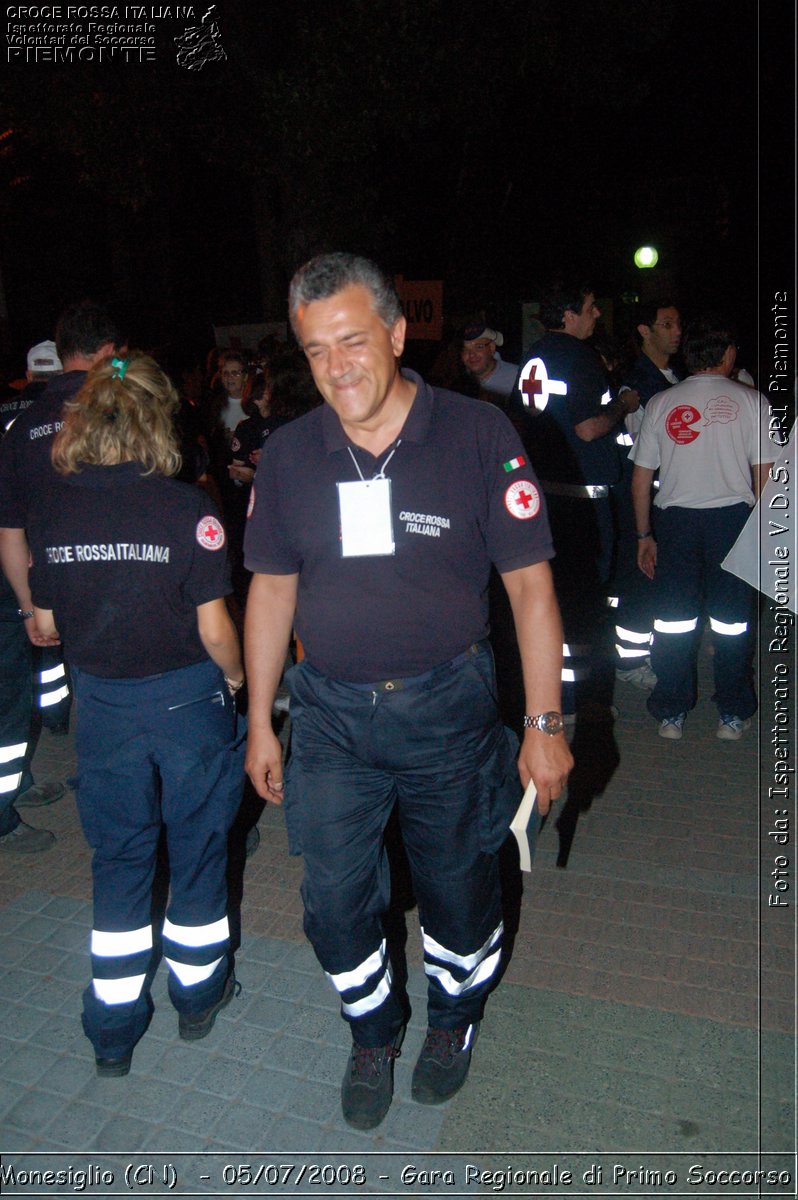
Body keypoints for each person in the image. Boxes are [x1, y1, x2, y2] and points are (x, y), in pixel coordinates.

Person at [244, 252, 572, 1130]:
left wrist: (545, 721)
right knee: (333, 899)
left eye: (353, 340)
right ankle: (372, 1029)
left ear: (395, 333)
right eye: (316, 350)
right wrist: (258, 720)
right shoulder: (287, 453)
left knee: (461, 887)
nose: (336, 366)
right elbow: (271, 589)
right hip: (330, 716)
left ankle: (454, 1021)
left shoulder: (475, 434)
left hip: (448, 709)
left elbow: (530, 587)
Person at [27, 353, 246, 1075]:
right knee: (198, 850)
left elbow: (50, 618)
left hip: (105, 707)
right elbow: (214, 628)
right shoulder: (187, 508)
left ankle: (112, 1032)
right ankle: (198, 997)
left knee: (119, 858)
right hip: (188, 701)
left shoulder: (54, 509)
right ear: (159, 419)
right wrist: (239, 676)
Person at [630, 315, 777, 740]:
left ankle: (671, 711)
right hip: (732, 522)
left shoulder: (661, 403)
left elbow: (641, 479)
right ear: (729, 355)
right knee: (732, 622)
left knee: (674, 620)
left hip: (675, 523)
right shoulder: (753, 402)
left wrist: (644, 535)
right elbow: (764, 475)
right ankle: (732, 713)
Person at [512, 282, 638, 718]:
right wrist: (622, 404)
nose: (596, 315)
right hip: (583, 503)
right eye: (589, 308)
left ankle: (553, 695)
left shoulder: (533, 356)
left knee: (555, 599)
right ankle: (580, 701)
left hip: (546, 497)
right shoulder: (580, 358)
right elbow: (588, 428)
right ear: (568, 314)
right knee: (584, 603)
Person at [613, 302, 683, 690]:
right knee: (641, 577)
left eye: (678, 324)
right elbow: (643, 451)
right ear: (644, 330)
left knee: (658, 579)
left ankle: (651, 652)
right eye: (666, 324)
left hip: (666, 498)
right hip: (644, 498)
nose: (676, 332)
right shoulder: (636, 384)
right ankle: (630, 661)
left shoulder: (673, 377)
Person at [460, 322, 518, 403]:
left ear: (492, 348)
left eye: (479, 347)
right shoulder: (458, 383)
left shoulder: (517, 378)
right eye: (465, 349)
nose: (471, 355)